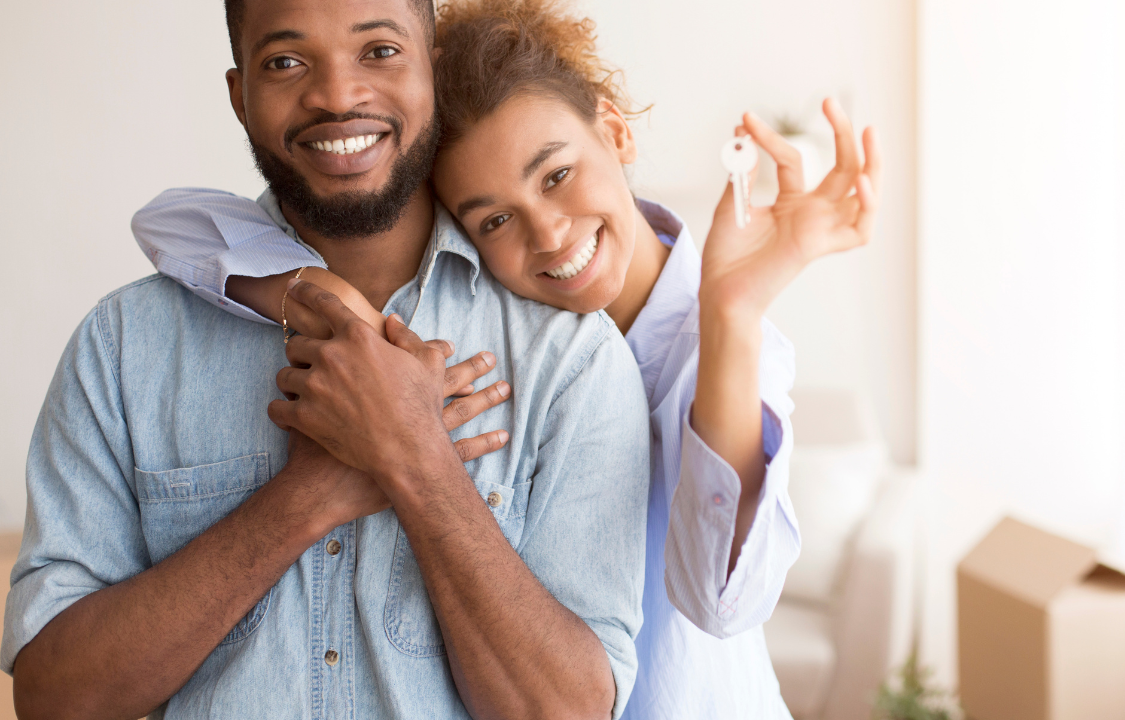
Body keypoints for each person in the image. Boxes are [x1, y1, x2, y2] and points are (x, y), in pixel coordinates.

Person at [129, 0, 882, 717]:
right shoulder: (496, 316)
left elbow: (723, 600)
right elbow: (171, 223)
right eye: (495, 218)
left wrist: (732, 312)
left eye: (556, 175)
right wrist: (322, 295)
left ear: (614, 132)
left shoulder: (713, 343)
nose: (550, 235)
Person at [0, 0, 653, 718]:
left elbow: (568, 711)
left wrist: (415, 458)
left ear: (430, 69)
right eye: (285, 62)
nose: (339, 96)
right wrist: (306, 497)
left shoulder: (570, 361)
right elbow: (52, 699)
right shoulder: (124, 346)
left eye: (379, 51)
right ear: (239, 96)